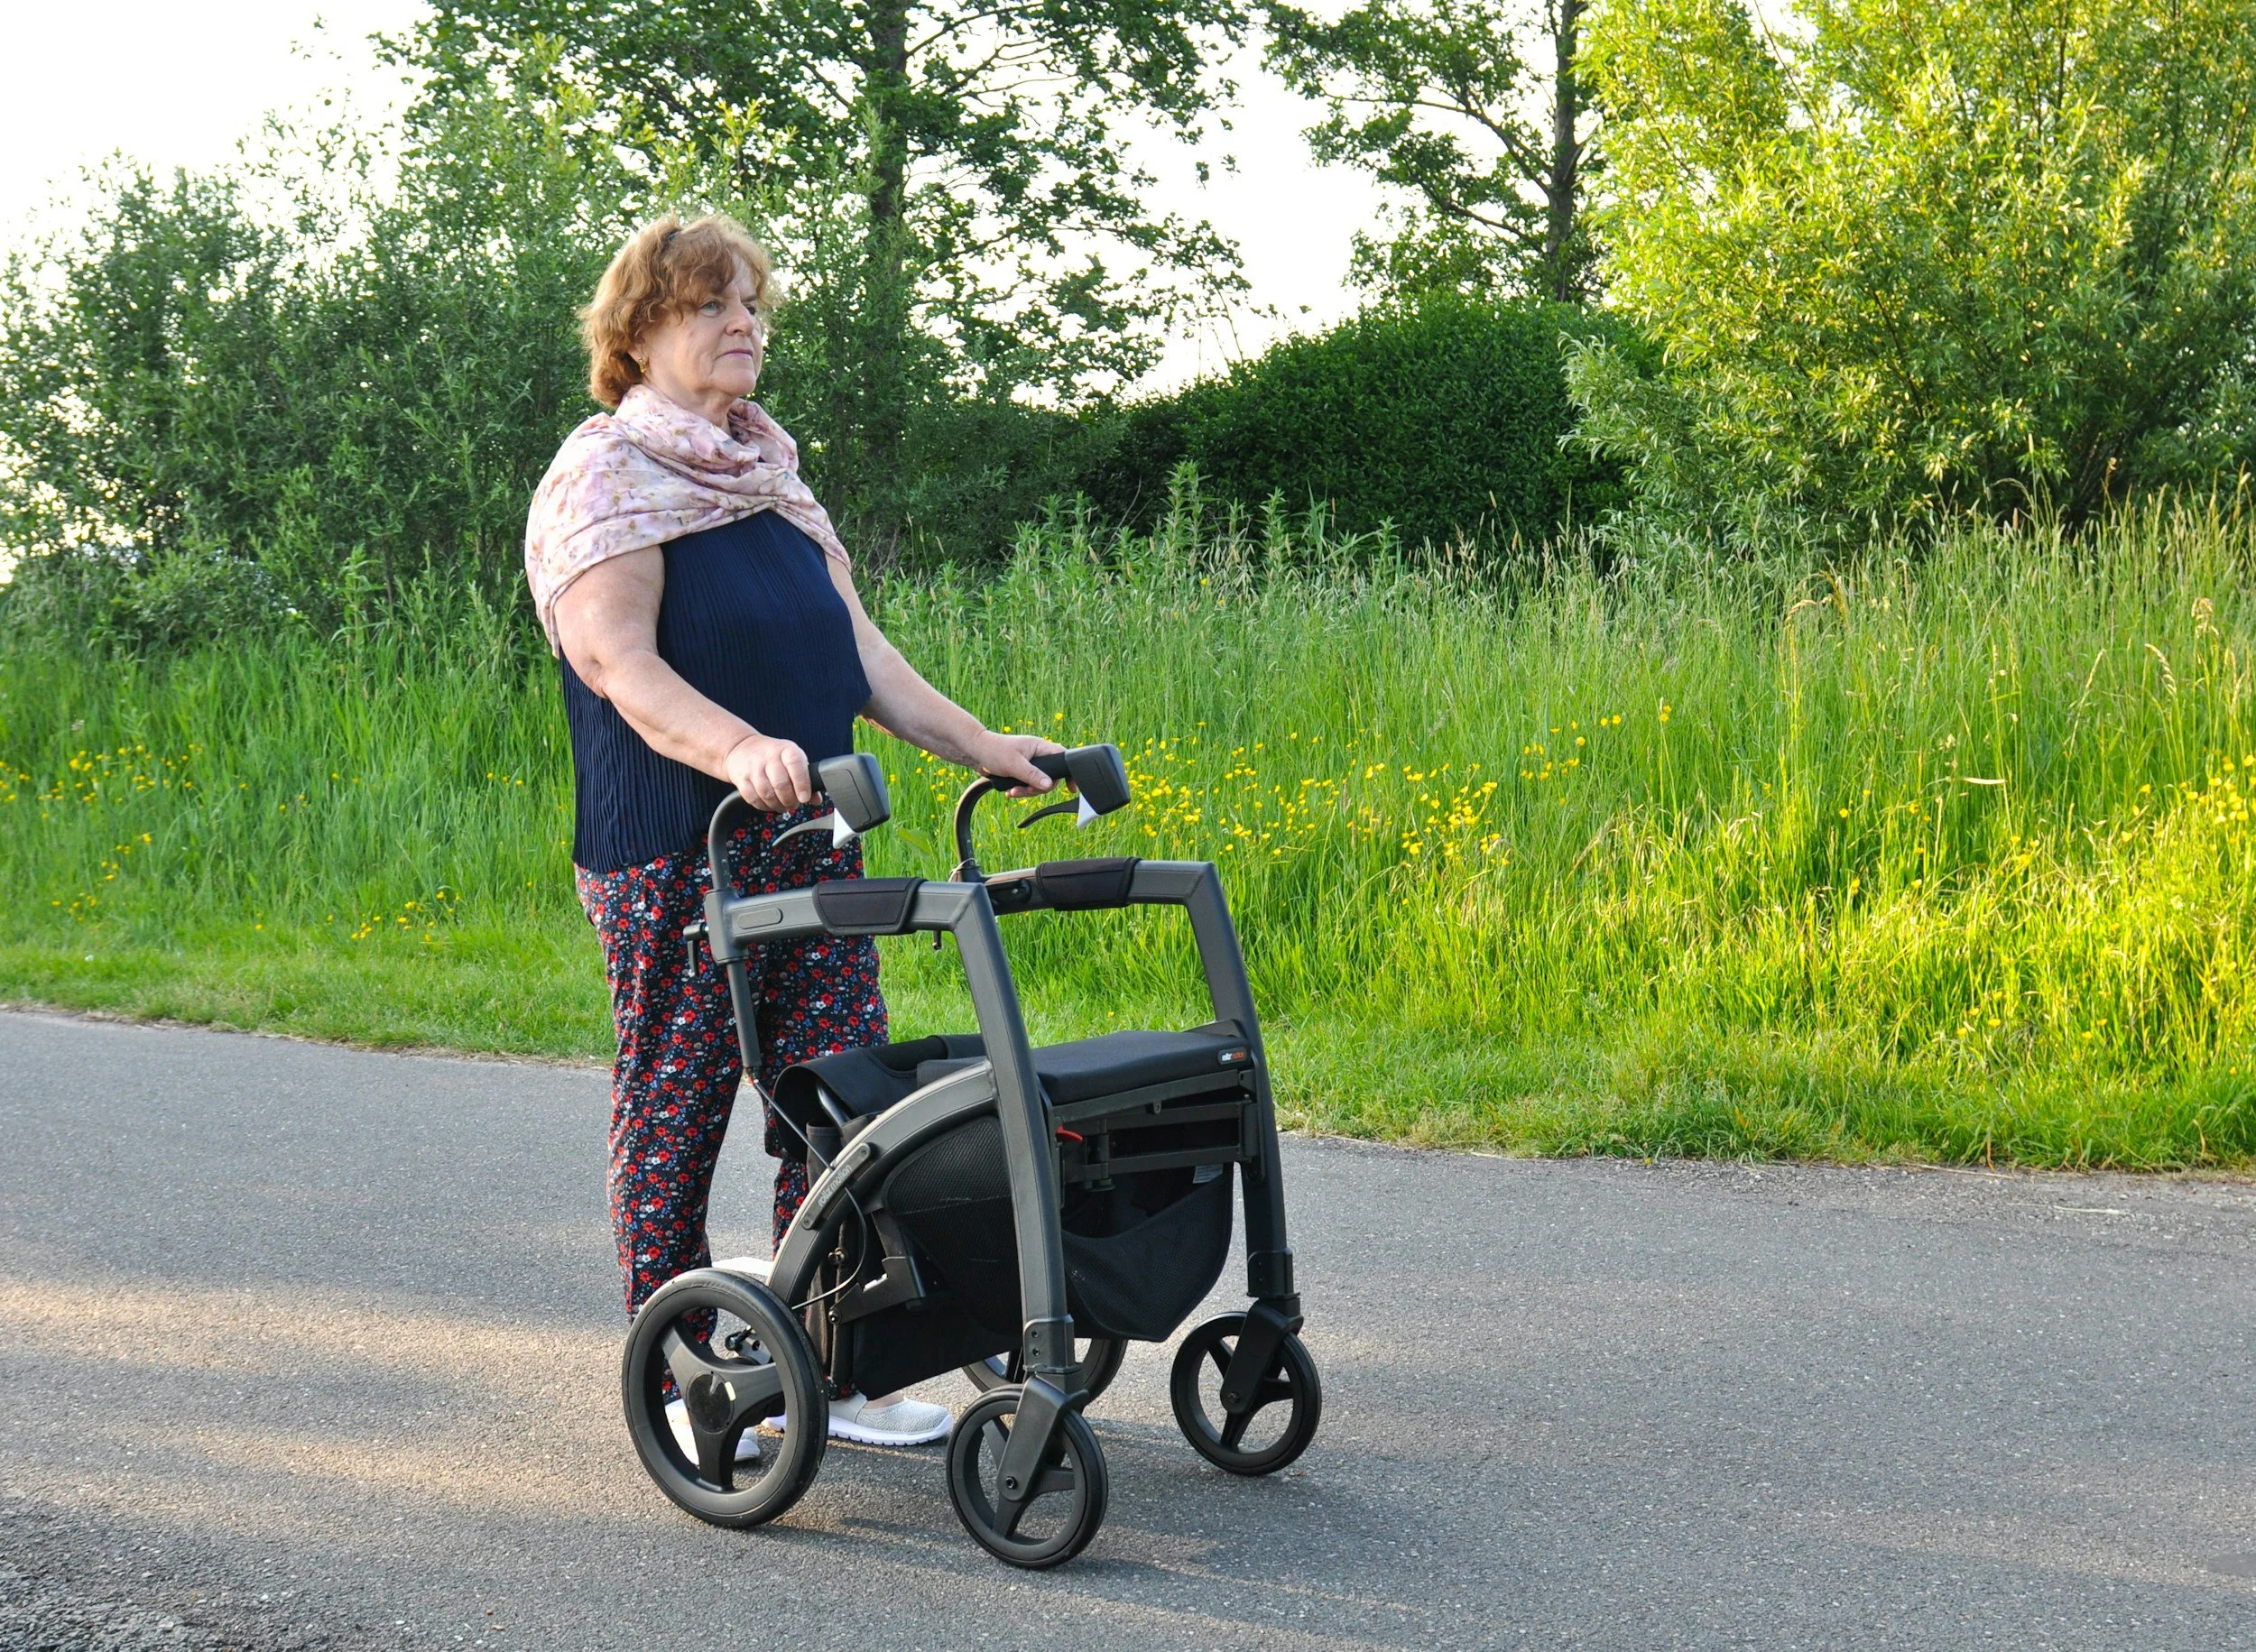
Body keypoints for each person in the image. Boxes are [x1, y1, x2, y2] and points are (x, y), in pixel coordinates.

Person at [524, 215, 1060, 1447]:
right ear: (641, 329)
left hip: (810, 831)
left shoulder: (769, 471)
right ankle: (689, 1378)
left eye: (753, 304)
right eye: (711, 303)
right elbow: (622, 665)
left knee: (835, 1100)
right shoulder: (605, 474)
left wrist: (987, 745)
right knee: (678, 1099)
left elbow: (859, 655)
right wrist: (739, 750)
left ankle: (834, 1356)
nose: (743, 324)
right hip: (678, 841)